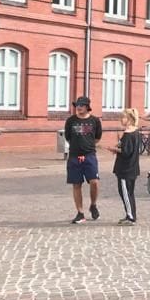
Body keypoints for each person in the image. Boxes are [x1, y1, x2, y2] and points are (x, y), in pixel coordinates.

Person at [65, 96, 103, 224]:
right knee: (76, 184)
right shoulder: (71, 121)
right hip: (74, 156)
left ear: (87, 106)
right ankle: (80, 213)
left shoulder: (95, 121)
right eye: (77, 105)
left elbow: (97, 138)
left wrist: (87, 147)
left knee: (94, 182)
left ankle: (93, 205)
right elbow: (68, 137)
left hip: (90, 155)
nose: (78, 107)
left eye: (81, 105)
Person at [106, 108, 141, 225]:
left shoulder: (128, 134)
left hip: (125, 169)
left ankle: (131, 217)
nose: (121, 120)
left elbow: (126, 152)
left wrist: (114, 149)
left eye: (123, 117)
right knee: (130, 193)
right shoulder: (136, 132)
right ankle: (130, 214)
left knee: (125, 193)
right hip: (133, 167)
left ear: (130, 119)